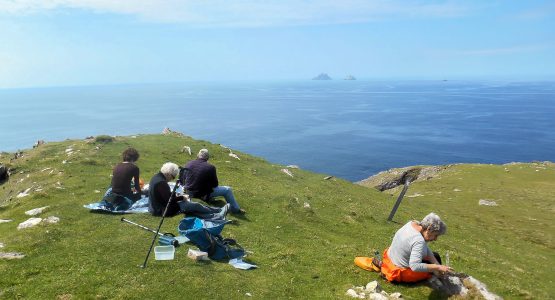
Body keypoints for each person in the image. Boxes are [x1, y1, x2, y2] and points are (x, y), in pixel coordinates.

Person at [379, 213, 452, 283]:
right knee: (430, 271)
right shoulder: (419, 240)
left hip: (390, 258)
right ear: (429, 229)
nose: (435, 239)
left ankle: (383, 267)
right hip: (398, 270)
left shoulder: (412, 223)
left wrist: (436, 264)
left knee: (435, 257)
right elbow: (415, 266)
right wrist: (438, 268)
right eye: (435, 235)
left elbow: (425, 248)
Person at [148, 162, 229, 219]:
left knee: (193, 205)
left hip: (156, 207)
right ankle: (217, 213)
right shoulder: (162, 183)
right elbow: (169, 201)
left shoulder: (156, 177)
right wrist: (182, 197)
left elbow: (164, 196)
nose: (172, 179)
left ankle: (217, 210)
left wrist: (177, 195)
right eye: (173, 177)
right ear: (168, 174)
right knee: (195, 205)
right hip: (163, 210)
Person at [183, 149, 245, 214]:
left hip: (188, 192)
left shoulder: (188, 163)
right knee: (227, 190)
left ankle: (208, 199)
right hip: (201, 194)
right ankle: (236, 209)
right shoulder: (210, 167)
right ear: (207, 158)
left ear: (198, 155)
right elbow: (215, 184)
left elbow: (183, 179)